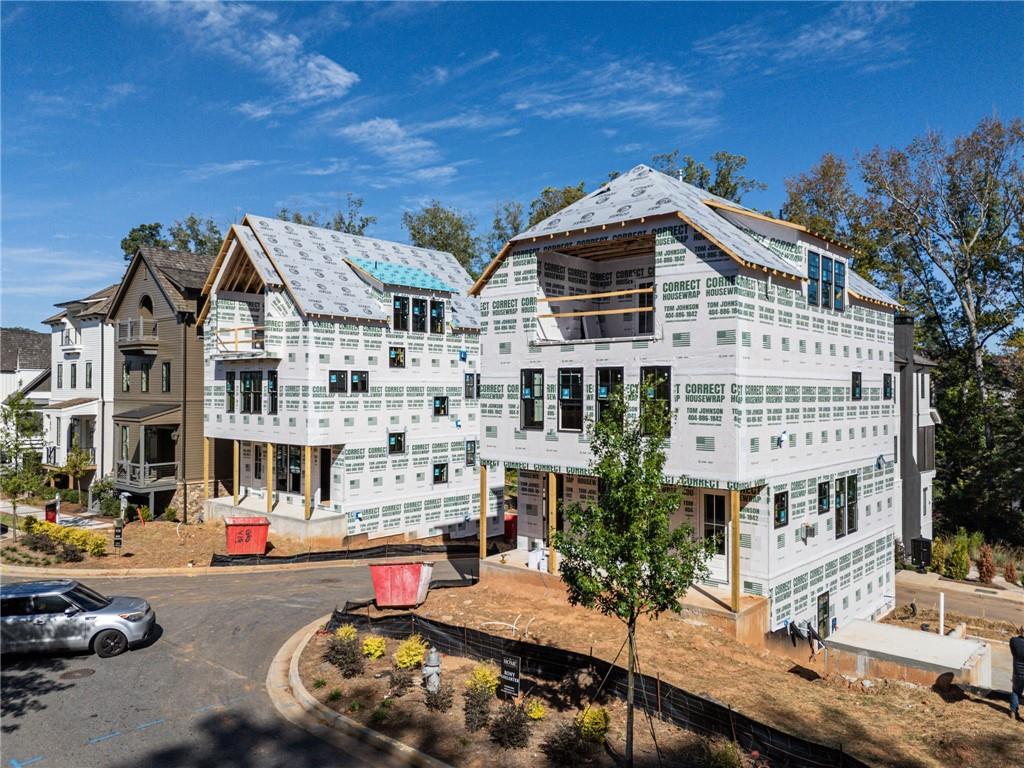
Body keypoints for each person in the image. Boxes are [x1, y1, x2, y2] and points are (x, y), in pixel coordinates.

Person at [1011, 626, 1024, 723]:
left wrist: (1018, 636)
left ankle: (1013, 711)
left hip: (1017, 672)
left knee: (1016, 692)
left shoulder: (1013, 641)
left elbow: (1013, 651)